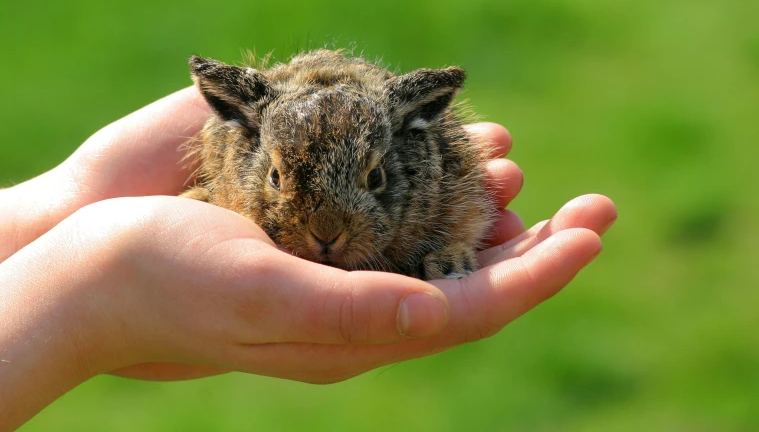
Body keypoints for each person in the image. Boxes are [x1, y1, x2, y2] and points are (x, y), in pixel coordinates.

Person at [0, 87, 617, 430]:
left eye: (373, 179)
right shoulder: (235, 160)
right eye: (273, 180)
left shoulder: (430, 170)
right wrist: (94, 294)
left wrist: (60, 215)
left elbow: (466, 189)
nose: (322, 231)